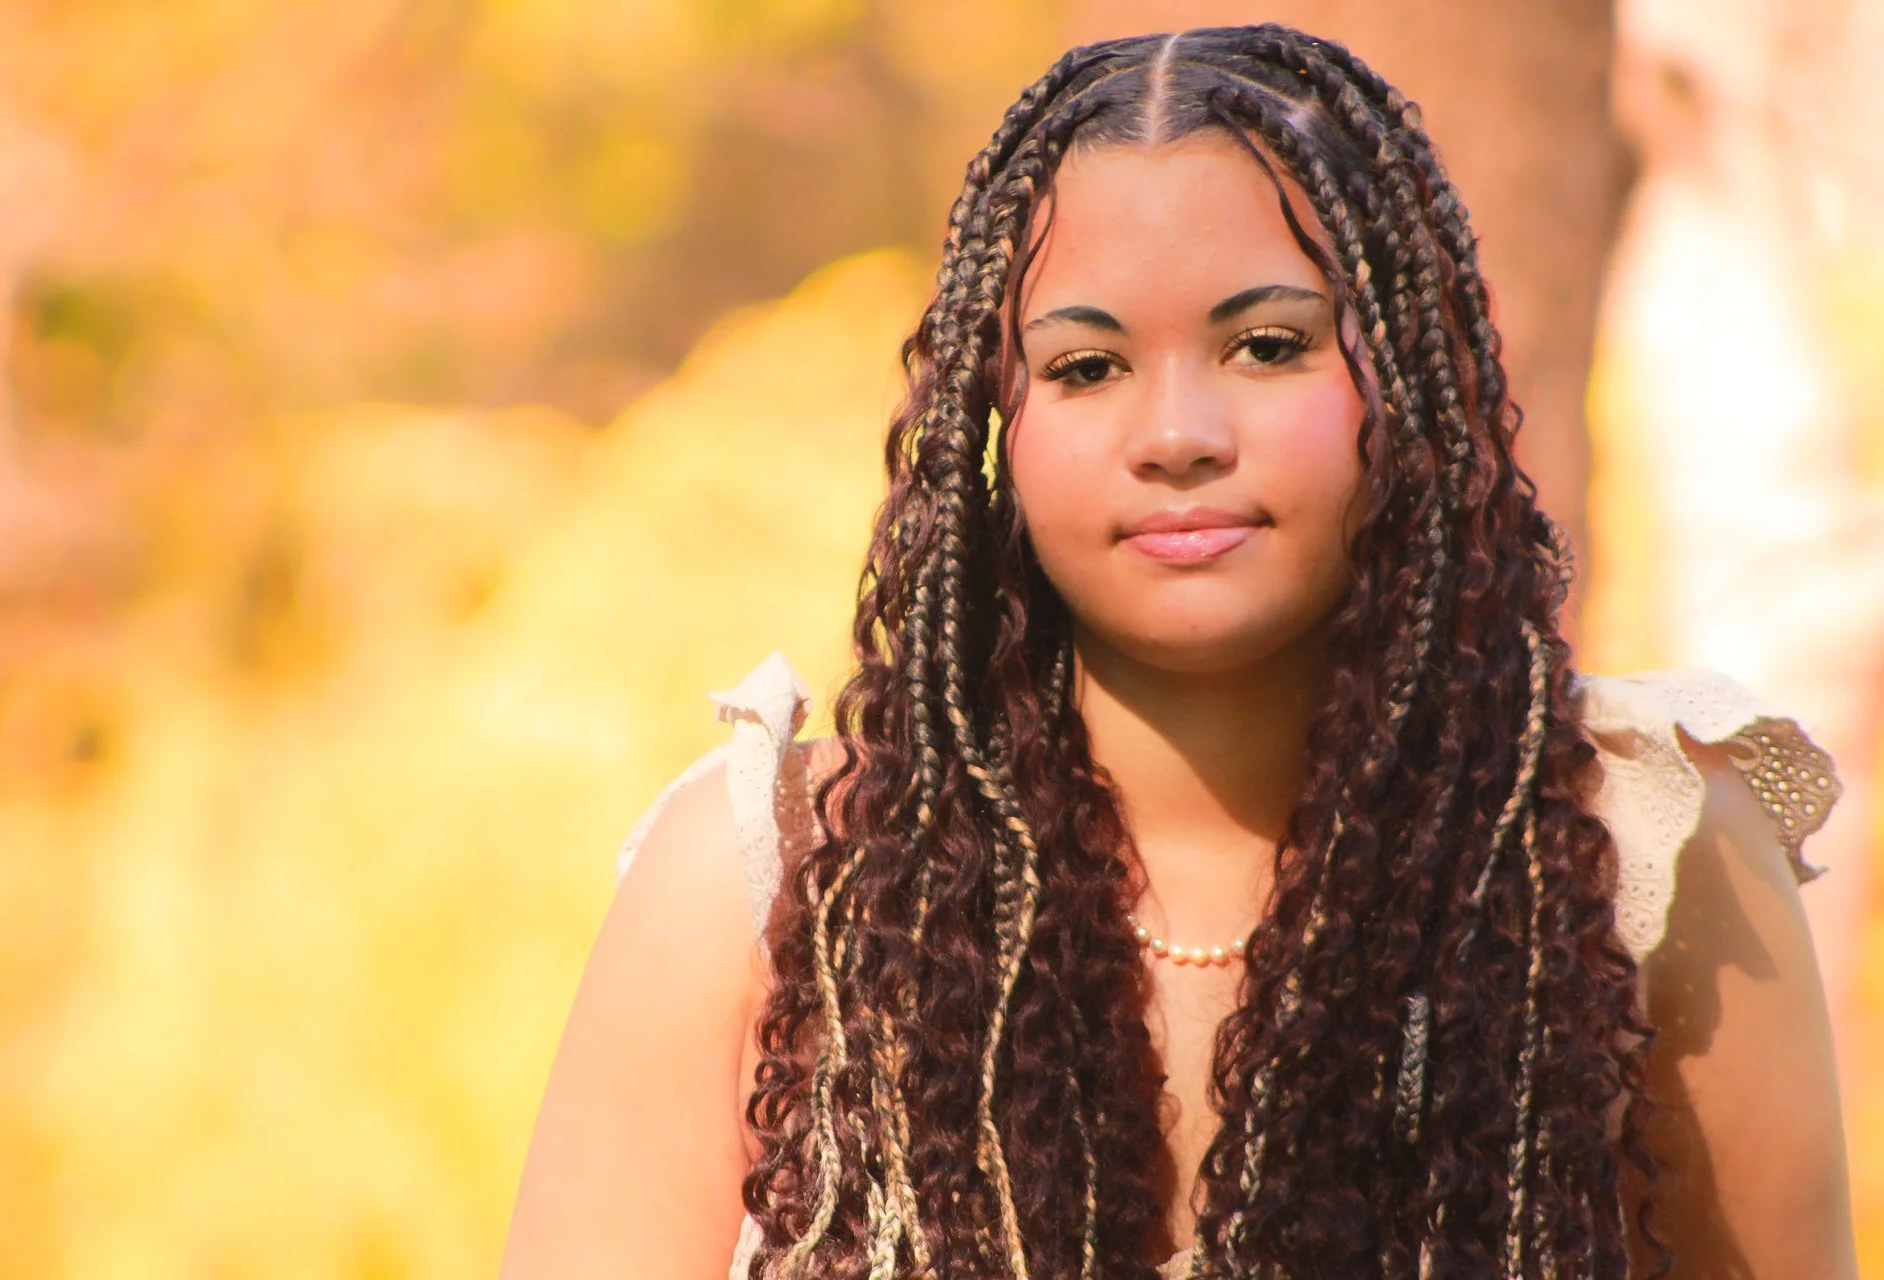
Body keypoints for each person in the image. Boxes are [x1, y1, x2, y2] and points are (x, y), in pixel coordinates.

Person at [501, 25, 1856, 1280]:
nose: (1178, 434)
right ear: (996, 427)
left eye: (1267, 346)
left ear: (1410, 378)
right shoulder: (774, 883)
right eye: (1087, 369)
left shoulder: (1643, 856)